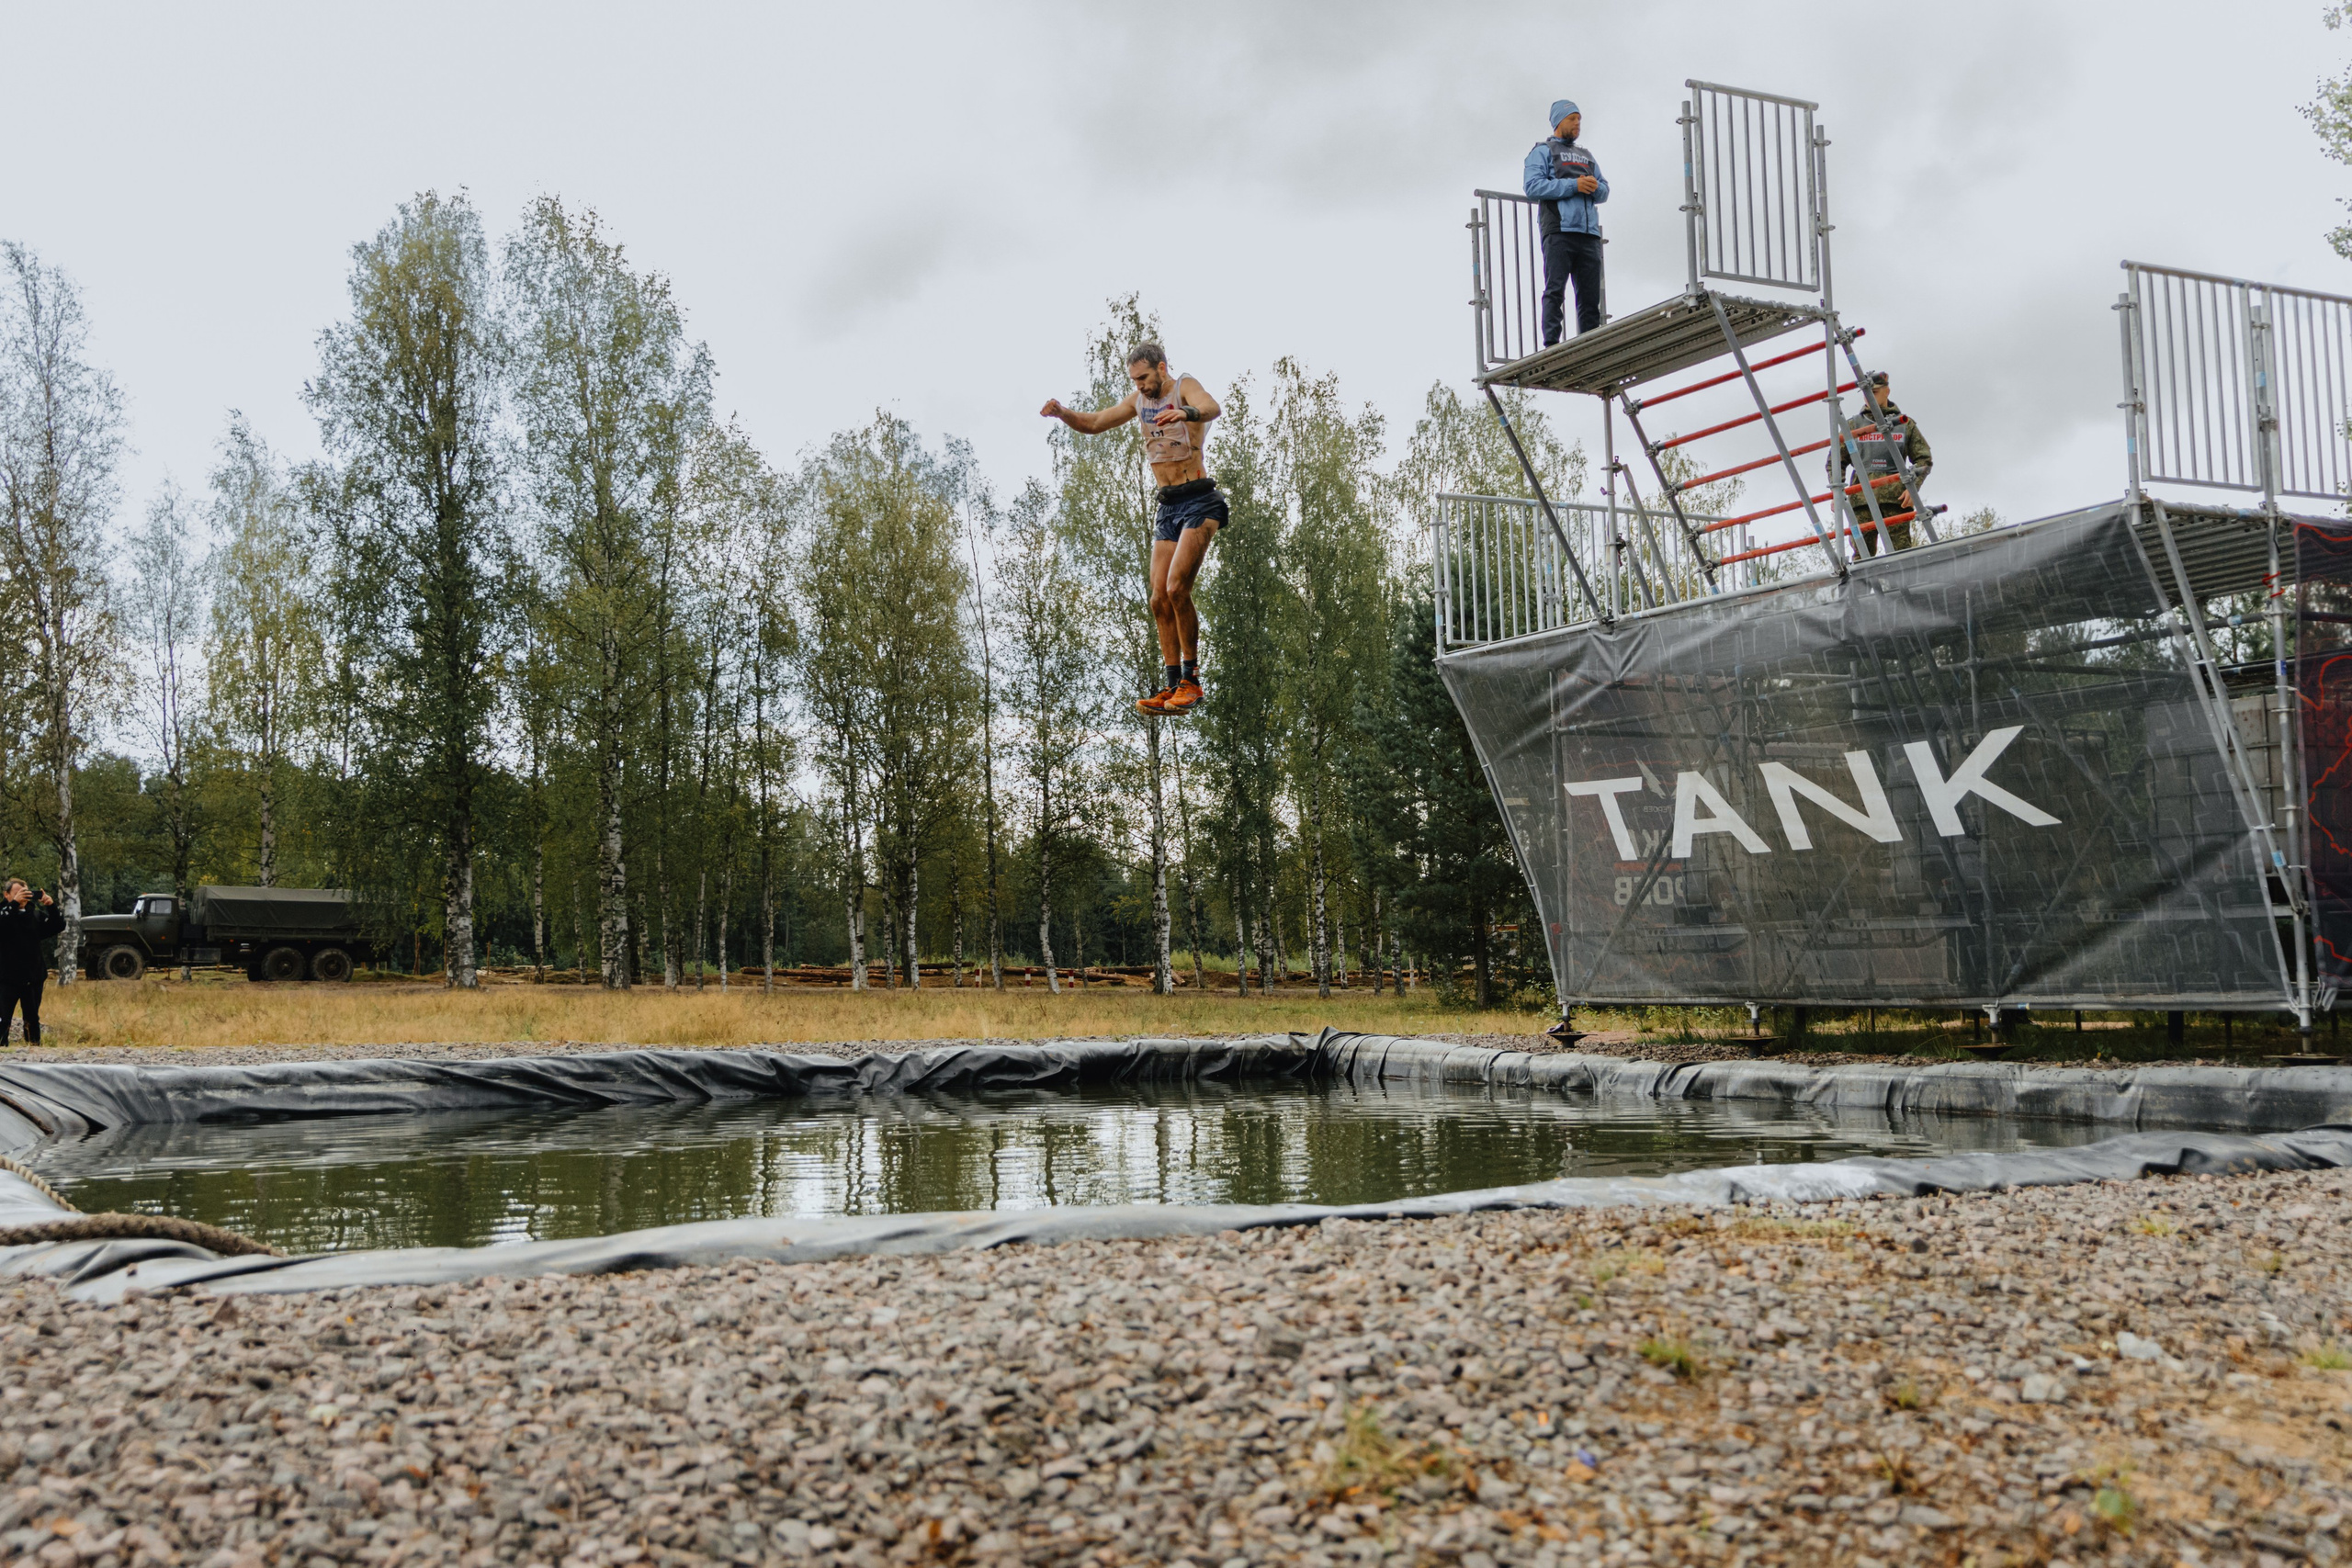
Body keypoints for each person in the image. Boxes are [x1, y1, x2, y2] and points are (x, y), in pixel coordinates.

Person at [1040, 342, 1225, 715]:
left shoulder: (1183, 386)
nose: (1139, 385)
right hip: (1169, 506)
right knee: (1158, 598)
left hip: (1201, 501)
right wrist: (1062, 413)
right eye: (1134, 380)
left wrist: (1185, 414)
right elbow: (1093, 424)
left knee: (1176, 589)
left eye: (1143, 378)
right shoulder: (1138, 401)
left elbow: (1212, 408)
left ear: (1161, 367)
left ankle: (1192, 681)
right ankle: (1172, 685)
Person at [1524, 98, 1609, 345]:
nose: (1577, 124)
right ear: (1558, 121)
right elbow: (1532, 186)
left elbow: (1605, 190)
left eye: (1579, 119)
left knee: (1590, 298)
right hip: (1559, 230)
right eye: (1572, 119)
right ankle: (1552, 344)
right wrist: (1575, 185)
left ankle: (1590, 346)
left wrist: (1594, 188)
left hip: (1589, 233)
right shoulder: (1542, 151)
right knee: (1555, 290)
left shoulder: (1586, 155)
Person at [1839, 371, 1934, 554]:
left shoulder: (1905, 424)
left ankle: (1900, 584)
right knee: (1862, 556)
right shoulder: (1853, 426)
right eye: (1866, 393)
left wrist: (1913, 487)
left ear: (1886, 391)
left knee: (1901, 554)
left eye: (1873, 392)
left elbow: (1924, 458)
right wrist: (1839, 492)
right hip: (1862, 499)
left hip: (1896, 499)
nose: (1869, 397)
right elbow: (1835, 461)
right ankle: (1863, 584)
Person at [0, 878, 63, 1046]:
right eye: (18, 893)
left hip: (32, 977)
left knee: (32, 1018)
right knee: (3, 1019)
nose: (24, 897)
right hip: (6, 978)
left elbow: (58, 926)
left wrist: (50, 906)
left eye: (26, 893)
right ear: (7, 895)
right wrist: (13, 905)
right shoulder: (3, 913)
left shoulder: (34, 915)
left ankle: (34, 1050)